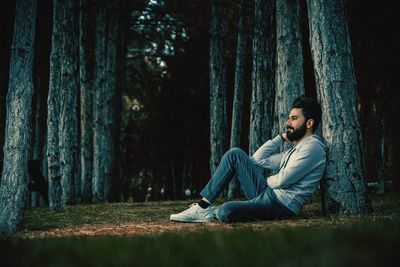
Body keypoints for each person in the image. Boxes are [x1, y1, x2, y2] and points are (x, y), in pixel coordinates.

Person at [170, 97, 327, 223]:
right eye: (289, 118)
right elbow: (257, 160)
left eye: (293, 118)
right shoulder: (296, 149)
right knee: (235, 154)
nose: (287, 123)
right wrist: (280, 138)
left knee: (226, 211)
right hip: (269, 195)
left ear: (309, 123)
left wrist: (267, 181)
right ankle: (203, 206)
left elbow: (282, 181)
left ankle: (212, 212)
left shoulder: (313, 147)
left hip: (281, 205)